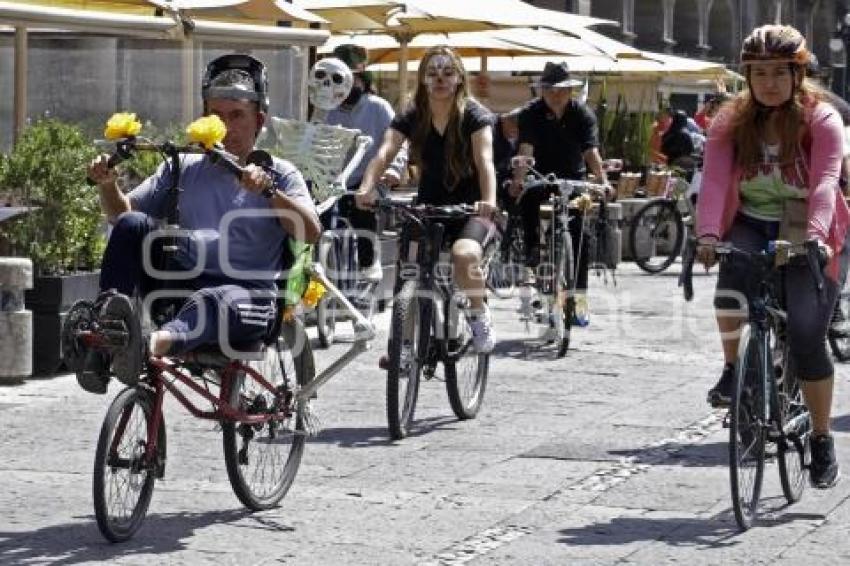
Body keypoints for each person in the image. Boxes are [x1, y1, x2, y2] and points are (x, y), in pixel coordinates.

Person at [83, 53, 320, 393]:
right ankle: (107, 331)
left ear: (259, 121)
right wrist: (107, 184)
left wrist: (269, 193)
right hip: (184, 287)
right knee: (133, 225)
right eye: (216, 116)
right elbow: (120, 215)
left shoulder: (279, 172)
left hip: (249, 299)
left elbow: (310, 231)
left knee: (212, 299)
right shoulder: (184, 166)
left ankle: (151, 345)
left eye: (237, 115)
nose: (226, 126)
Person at [696, 24, 850, 488]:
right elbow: (717, 178)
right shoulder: (730, 120)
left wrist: (819, 236)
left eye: (779, 73)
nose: (768, 82)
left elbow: (825, 181)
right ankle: (731, 371)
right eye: (758, 73)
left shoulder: (821, 118)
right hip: (753, 219)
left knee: (806, 334)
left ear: (798, 75)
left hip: (808, 223)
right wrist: (706, 234)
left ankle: (821, 438)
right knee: (730, 289)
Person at [355, 45, 499, 353]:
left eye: (448, 73)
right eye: (432, 73)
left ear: (460, 79)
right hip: (428, 206)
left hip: (471, 208)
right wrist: (366, 187)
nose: (440, 79)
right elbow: (384, 151)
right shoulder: (412, 114)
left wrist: (488, 200)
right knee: (409, 269)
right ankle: (403, 350)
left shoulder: (475, 116)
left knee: (464, 256)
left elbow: (484, 160)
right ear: (423, 80)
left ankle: (477, 312)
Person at [509, 61, 611, 325]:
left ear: (570, 91)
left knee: (580, 236)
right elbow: (526, 149)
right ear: (542, 90)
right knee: (528, 205)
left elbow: (591, 151)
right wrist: (519, 180)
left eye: (562, 89)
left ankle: (579, 303)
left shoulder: (582, 115)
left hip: (571, 177)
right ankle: (533, 254)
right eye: (550, 89)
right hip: (539, 174)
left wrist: (603, 181)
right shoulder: (531, 112)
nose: (556, 94)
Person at [320, 44, 407, 283]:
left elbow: (399, 142)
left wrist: (393, 170)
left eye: (350, 79)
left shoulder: (378, 107)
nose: (345, 87)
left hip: (372, 178)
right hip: (336, 181)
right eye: (338, 79)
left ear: (360, 80)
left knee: (363, 205)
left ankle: (370, 261)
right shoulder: (328, 111)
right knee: (316, 210)